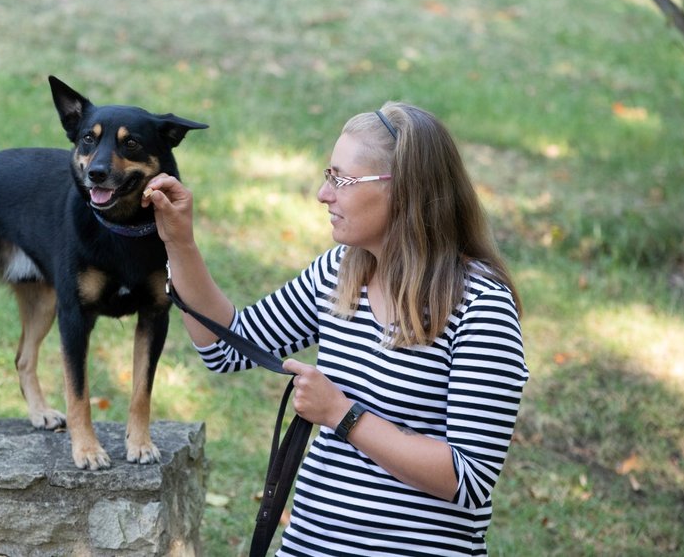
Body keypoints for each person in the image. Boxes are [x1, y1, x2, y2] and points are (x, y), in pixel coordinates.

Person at [141, 102, 529, 556]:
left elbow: (467, 479)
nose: (324, 194)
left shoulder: (481, 307)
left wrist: (344, 416)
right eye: (328, 175)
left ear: (404, 189)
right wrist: (179, 242)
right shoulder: (342, 272)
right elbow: (228, 346)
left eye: (341, 179)